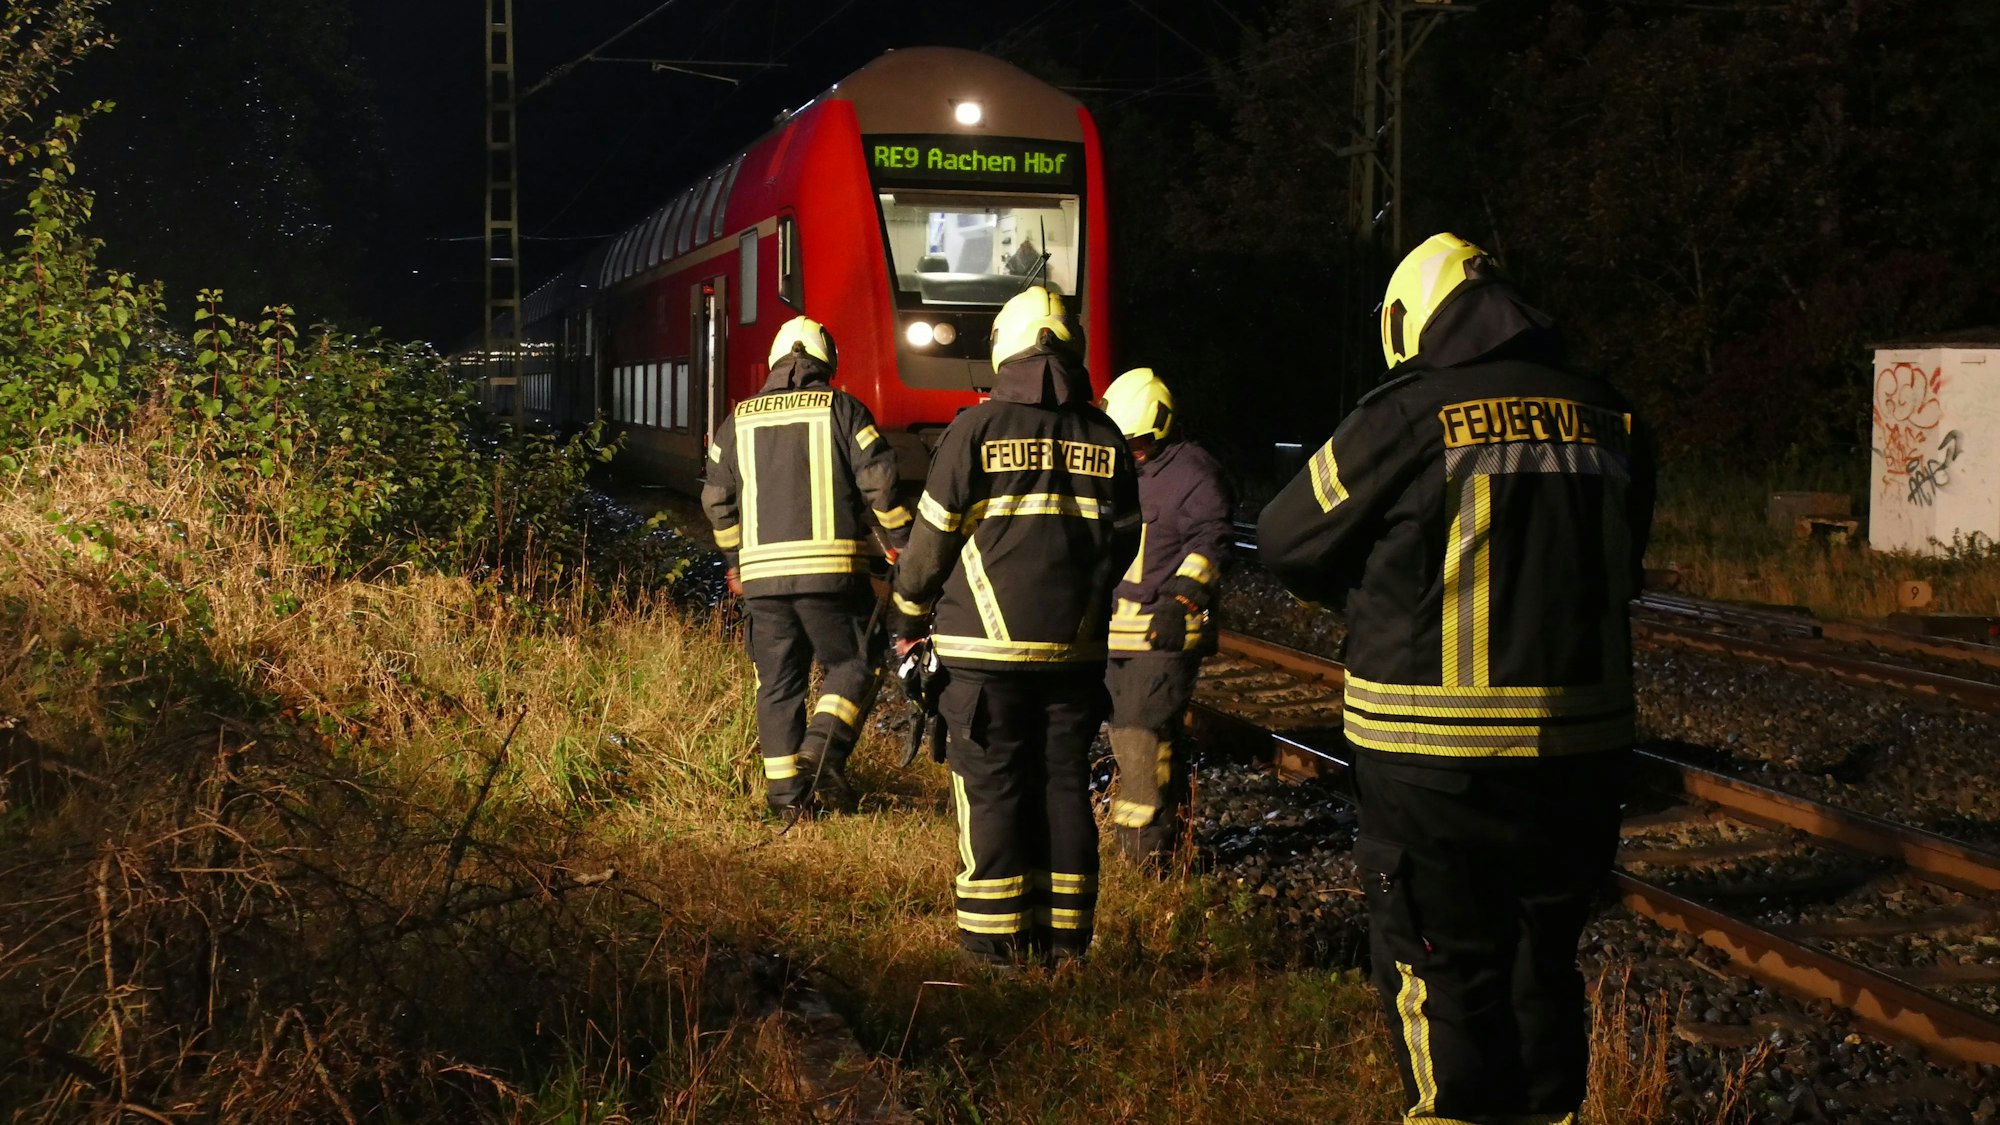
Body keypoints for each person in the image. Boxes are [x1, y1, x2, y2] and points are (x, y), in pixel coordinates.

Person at [1258, 233, 1655, 1125]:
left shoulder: (1407, 413)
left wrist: (1371, 590)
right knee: (1542, 963)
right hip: (1582, 751)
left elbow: (1285, 537)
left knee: (1445, 969)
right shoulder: (1609, 412)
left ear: (1410, 319)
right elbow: (1624, 555)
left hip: (1432, 755)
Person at [890, 285, 1140, 966]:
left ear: (1005, 347)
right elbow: (1122, 543)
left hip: (982, 657)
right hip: (1074, 657)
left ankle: (995, 950)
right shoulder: (1108, 438)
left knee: (993, 790)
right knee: (1064, 788)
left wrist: (906, 618)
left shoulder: (975, 430)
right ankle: (1066, 943)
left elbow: (928, 549)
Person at [703, 315, 913, 816]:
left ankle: (786, 801)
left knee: (777, 684)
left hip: (761, 580)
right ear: (827, 364)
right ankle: (821, 751)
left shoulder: (738, 420)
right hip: (831, 575)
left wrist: (736, 562)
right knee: (857, 661)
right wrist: (902, 542)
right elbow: (880, 482)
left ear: (774, 363)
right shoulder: (844, 409)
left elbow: (715, 500)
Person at [1098, 367, 1233, 866]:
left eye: (1138, 444)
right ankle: (1156, 847)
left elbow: (1212, 540)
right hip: (1115, 636)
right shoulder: (1118, 471)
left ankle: (1144, 861)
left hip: (1163, 634)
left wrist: (1182, 599)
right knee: (1128, 738)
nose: (1130, 452)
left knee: (1142, 743)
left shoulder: (1195, 474)